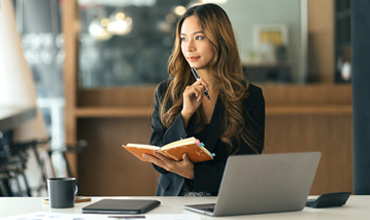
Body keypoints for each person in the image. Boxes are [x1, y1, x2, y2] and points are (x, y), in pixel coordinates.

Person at [143, 3, 265, 196]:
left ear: (220, 39)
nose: (189, 47)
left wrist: (194, 173)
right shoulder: (166, 92)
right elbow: (160, 159)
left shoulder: (250, 96)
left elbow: (246, 165)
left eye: (199, 37)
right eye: (183, 39)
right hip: (173, 202)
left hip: (226, 199)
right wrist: (185, 114)